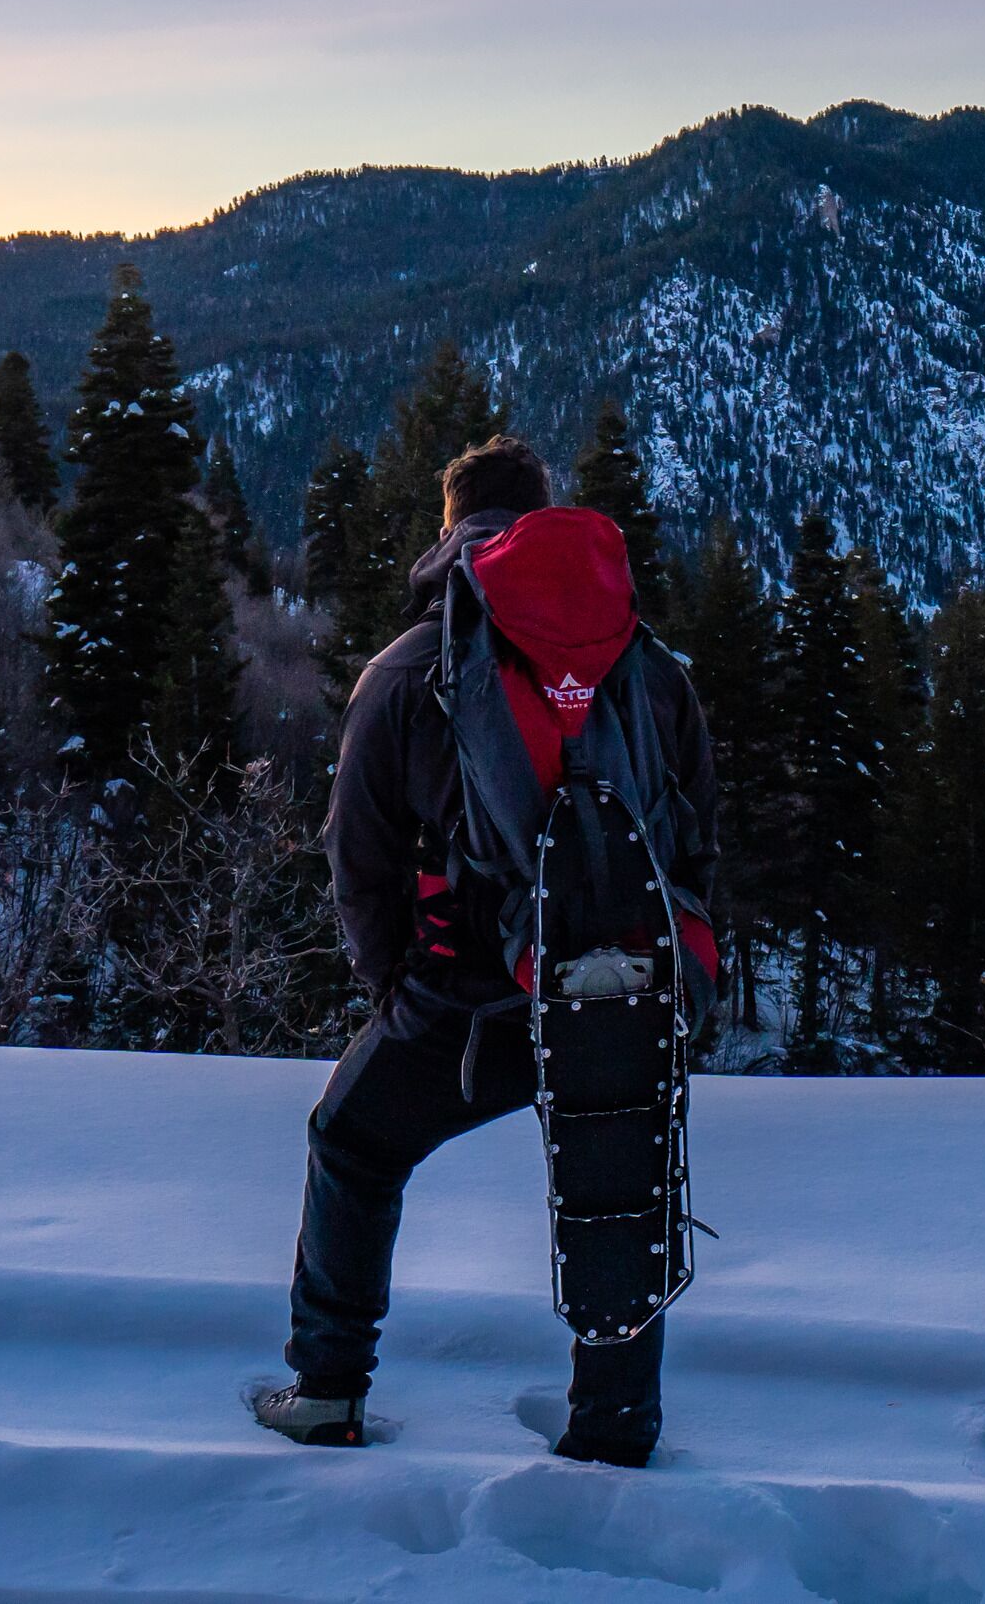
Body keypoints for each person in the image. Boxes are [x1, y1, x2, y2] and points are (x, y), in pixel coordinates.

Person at [254, 435, 719, 1467]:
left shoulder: (410, 670)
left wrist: (399, 991)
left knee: (352, 1144)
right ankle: (616, 1419)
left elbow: (359, 859)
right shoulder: (645, 663)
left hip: (466, 1003)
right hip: (621, 990)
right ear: (545, 515)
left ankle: (328, 1386)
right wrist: (676, 971)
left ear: (451, 527)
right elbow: (694, 837)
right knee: (620, 1183)